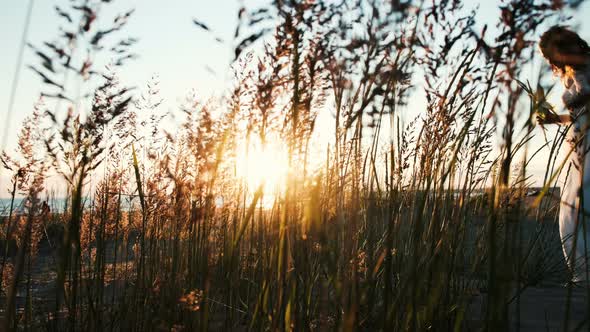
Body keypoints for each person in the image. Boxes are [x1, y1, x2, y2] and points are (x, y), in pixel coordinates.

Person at [539, 26, 590, 282]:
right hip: (579, 144)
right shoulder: (572, 74)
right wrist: (553, 119)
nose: (550, 62)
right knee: (573, 208)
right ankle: (582, 274)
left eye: (551, 55)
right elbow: (578, 114)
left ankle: (585, 275)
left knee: (580, 207)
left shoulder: (584, 69)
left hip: (587, 145)